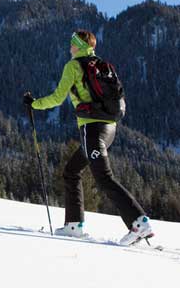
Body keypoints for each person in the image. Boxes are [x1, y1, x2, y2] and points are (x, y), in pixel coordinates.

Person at [23, 30, 154, 245]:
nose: (69, 47)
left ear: (79, 45)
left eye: (72, 44)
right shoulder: (101, 65)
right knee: (71, 171)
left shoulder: (73, 66)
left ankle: (139, 223)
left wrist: (34, 104)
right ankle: (74, 226)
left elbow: (57, 98)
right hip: (109, 129)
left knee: (104, 178)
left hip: (91, 130)